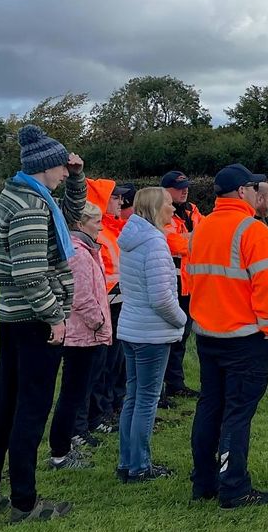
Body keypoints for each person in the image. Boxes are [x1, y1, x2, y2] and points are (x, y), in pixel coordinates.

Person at [0, 124, 86, 524]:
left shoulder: (28, 195)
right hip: (34, 321)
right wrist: (54, 316)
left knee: (4, 408)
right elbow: (30, 273)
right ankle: (25, 503)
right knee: (31, 412)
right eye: (60, 166)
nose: (63, 172)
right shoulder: (30, 207)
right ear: (45, 166)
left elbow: (71, 214)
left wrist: (78, 178)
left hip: (14, 318)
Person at [188, 163, 268, 509]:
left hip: (207, 334)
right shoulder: (253, 230)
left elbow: (191, 279)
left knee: (209, 406)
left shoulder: (200, 229)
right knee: (237, 414)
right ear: (243, 191)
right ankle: (234, 487)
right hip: (246, 336)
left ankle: (203, 481)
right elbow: (266, 287)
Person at [115, 187, 187, 483]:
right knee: (146, 400)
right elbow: (161, 298)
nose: (173, 209)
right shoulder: (155, 243)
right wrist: (181, 320)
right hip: (152, 333)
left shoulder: (132, 240)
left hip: (132, 328)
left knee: (133, 398)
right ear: (157, 208)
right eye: (169, 204)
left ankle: (126, 462)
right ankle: (140, 467)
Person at [47, 199, 113, 468]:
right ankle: (62, 449)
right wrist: (98, 323)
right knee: (74, 392)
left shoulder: (85, 249)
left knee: (77, 391)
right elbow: (81, 297)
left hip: (84, 333)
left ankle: (67, 441)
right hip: (81, 335)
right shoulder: (79, 252)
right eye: (96, 221)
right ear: (79, 223)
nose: (101, 226)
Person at [85, 179, 126, 435]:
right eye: (115, 197)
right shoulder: (99, 234)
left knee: (114, 362)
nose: (121, 201)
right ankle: (98, 414)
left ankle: (109, 408)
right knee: (101, 364)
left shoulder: (111, 230)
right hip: (106, 305)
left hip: (116, 303)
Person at [160, 170, 204, 404]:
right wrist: (195, 238)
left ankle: (175, 384)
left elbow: (205, 236)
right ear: (166, 191)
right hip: (172, 284)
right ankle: (164, 386)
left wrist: (190, 237)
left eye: (186, 186)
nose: (184, 190)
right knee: (168, 337)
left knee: (182, 336)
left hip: (190, 285)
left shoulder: (191, 210)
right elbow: (175, 245)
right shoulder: (161, 213)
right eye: (179, 188)